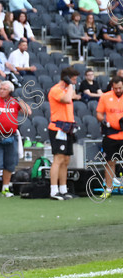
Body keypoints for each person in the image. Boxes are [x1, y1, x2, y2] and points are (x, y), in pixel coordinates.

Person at [0, 81, 30, 197]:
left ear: (10, 91)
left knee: (10, 163)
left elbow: (28, 111)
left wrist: (19, 99)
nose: (2, 91)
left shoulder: (14, 102)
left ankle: (6, 188)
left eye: (4, 89)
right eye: (1, 89)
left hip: (11, 135)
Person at [48, 67, 79, 200]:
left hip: (67, 128)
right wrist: (70, 85)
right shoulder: (56, 90)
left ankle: (63, 189)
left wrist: (70, 86)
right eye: (73, 79)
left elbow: (74, 96)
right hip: (57, 128)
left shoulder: (67, 89)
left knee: (66, 160)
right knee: (58, 158)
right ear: (66, 78)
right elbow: (67, 99)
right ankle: (54, 190)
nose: (75, 83)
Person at [96, 77, 123, 198]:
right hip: (111, 135)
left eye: (120, 88)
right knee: (110, 162)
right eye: (115, 88)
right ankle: (108, 188)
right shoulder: (105, 97)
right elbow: (99, 113)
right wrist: (104, 121)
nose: (118, 90)